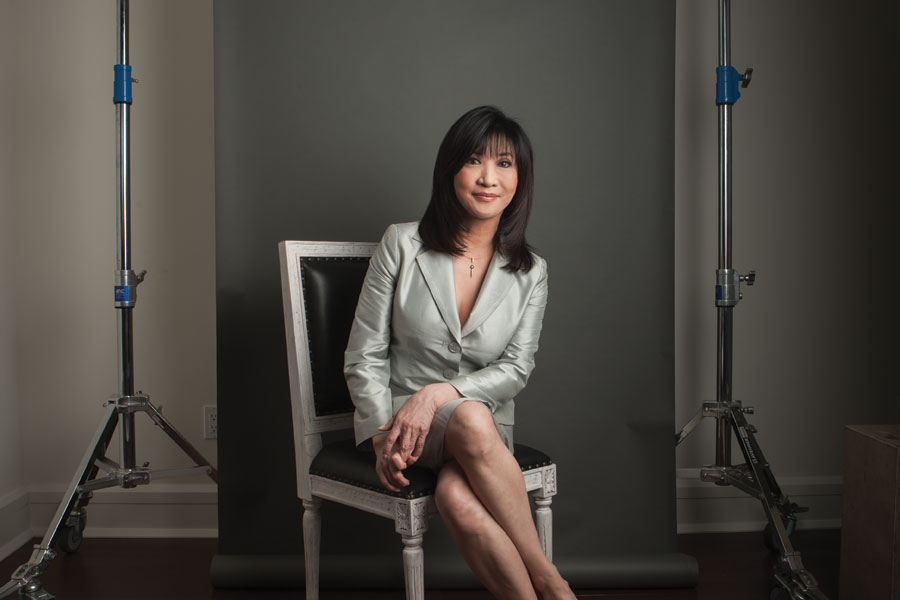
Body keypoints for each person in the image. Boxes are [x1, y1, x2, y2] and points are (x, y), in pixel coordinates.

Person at [344, 105, 575, 599]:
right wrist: (382, 437)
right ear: (450, 170)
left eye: (505, 163)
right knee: (469, 415)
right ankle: (551, 579)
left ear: (520, 178)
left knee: (456, 496)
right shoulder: (402, 243)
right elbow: (364, 354)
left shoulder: (531, 271)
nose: (489, 177)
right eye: (474, 160)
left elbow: (516, 369)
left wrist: (439, 393)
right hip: (403, 428)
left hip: (485, 435)